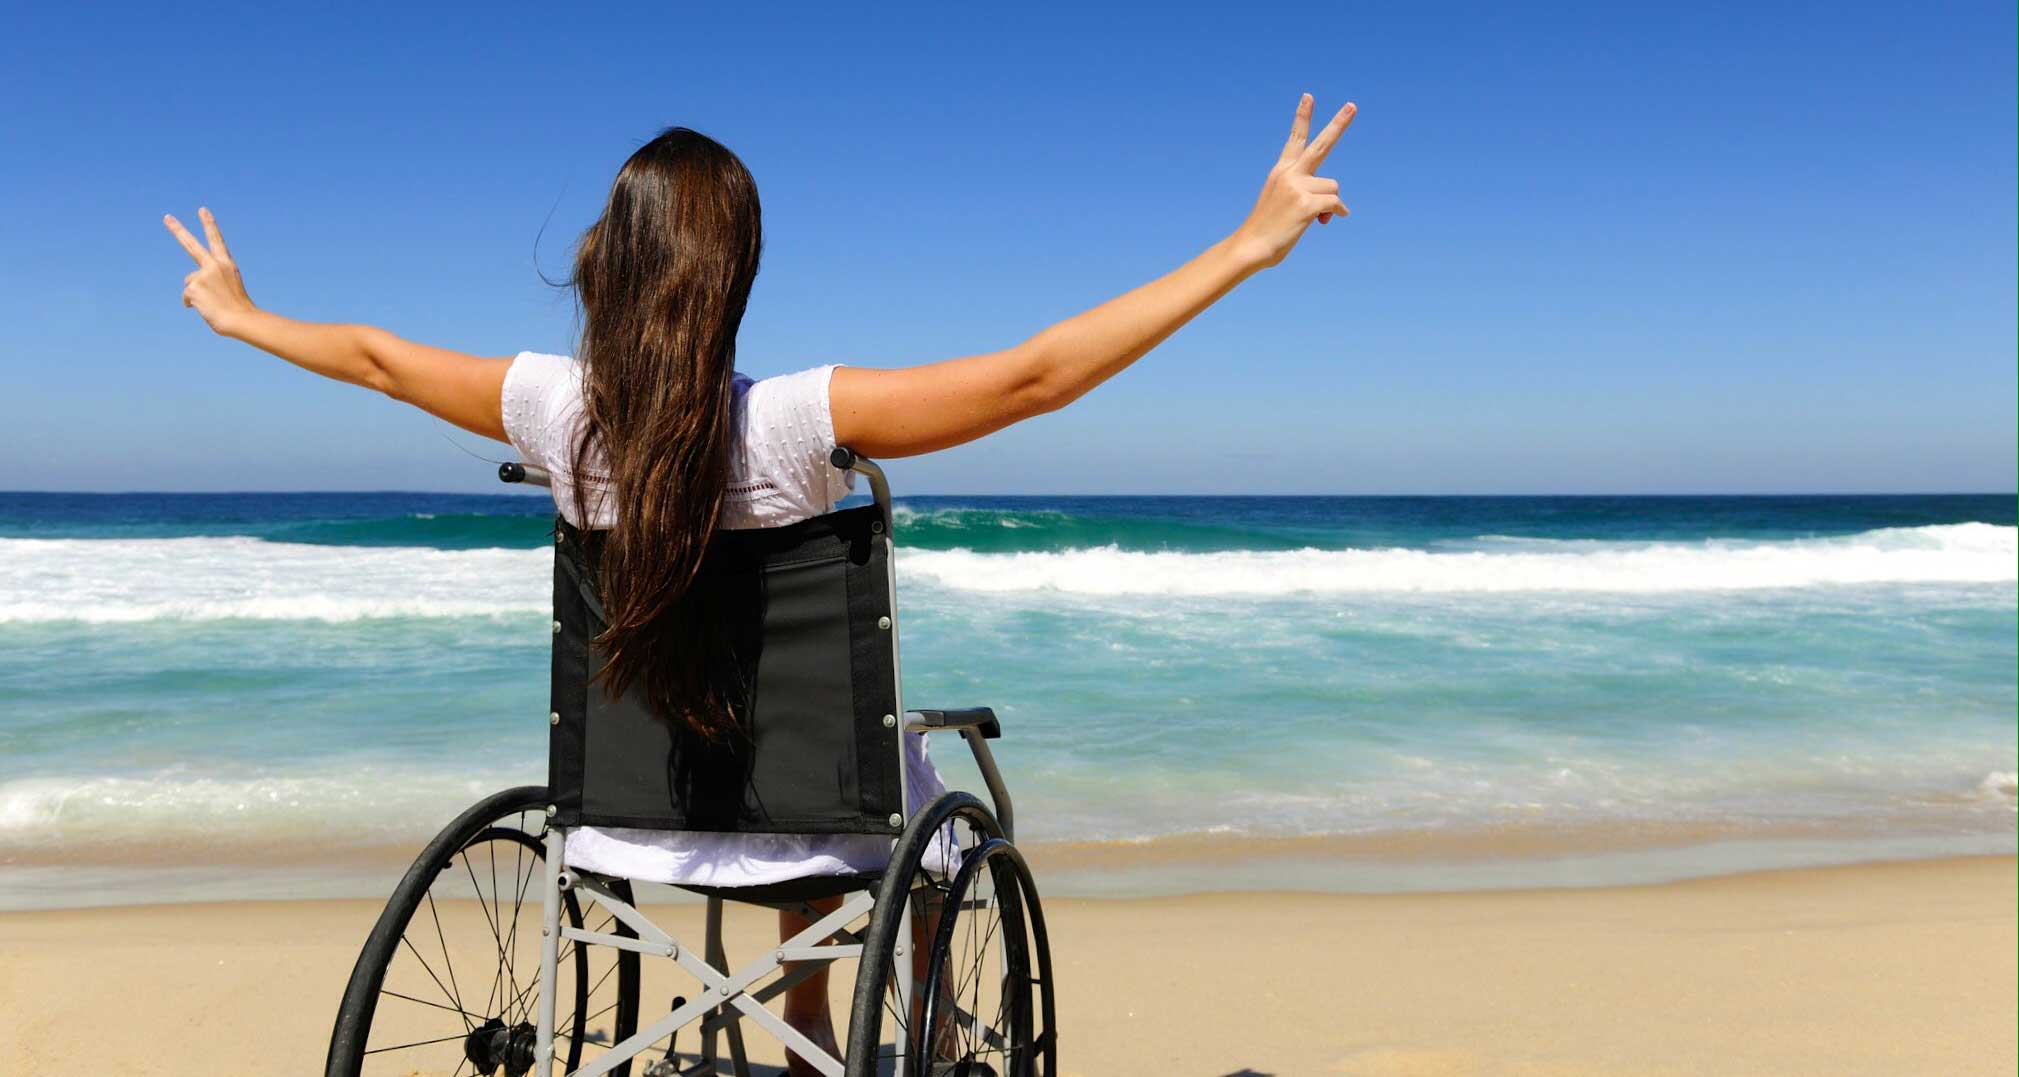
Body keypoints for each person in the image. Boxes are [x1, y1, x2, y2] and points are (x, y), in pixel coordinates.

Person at [165, 93, 1355, 1074]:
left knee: (808, 764)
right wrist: (1246, 248)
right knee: (896, 787)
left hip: (622, 825)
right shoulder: (794, 425)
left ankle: (813, 1031)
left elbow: (375, 359)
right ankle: (861, 1041)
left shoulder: (554, 412)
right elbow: (1033, 380)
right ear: (734, 276)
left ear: (607, 262)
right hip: (817, 821)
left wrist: (241, 319)